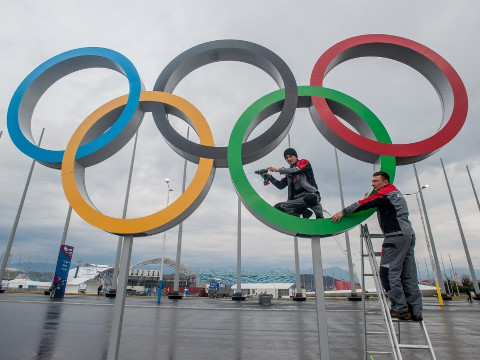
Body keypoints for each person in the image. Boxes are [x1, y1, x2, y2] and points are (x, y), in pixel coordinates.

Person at [331, 171, 423, 321]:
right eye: (372, 181)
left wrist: (343, 212)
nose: (373, 184)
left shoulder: (385, 194)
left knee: (388, 274)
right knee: (408, 275)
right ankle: (416, 311)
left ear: (385, 182)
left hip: (395, 237)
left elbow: (363, 204)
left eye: (375, 181)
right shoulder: (396, 193)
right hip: (408, 235)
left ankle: (400, 309)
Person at [260, 148, 323, 219]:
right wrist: (270, 177)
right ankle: (303, 212)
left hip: (310, 196)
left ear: (296, 156)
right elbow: (280, 185)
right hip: (296, 201)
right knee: (278, 207)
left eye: (290, 156)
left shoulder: (304, 162)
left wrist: (278, 170)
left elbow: (297, 170)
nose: (289, 159)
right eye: (286, 158)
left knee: (310, 198)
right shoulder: (289, 175)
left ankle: (319, 216)